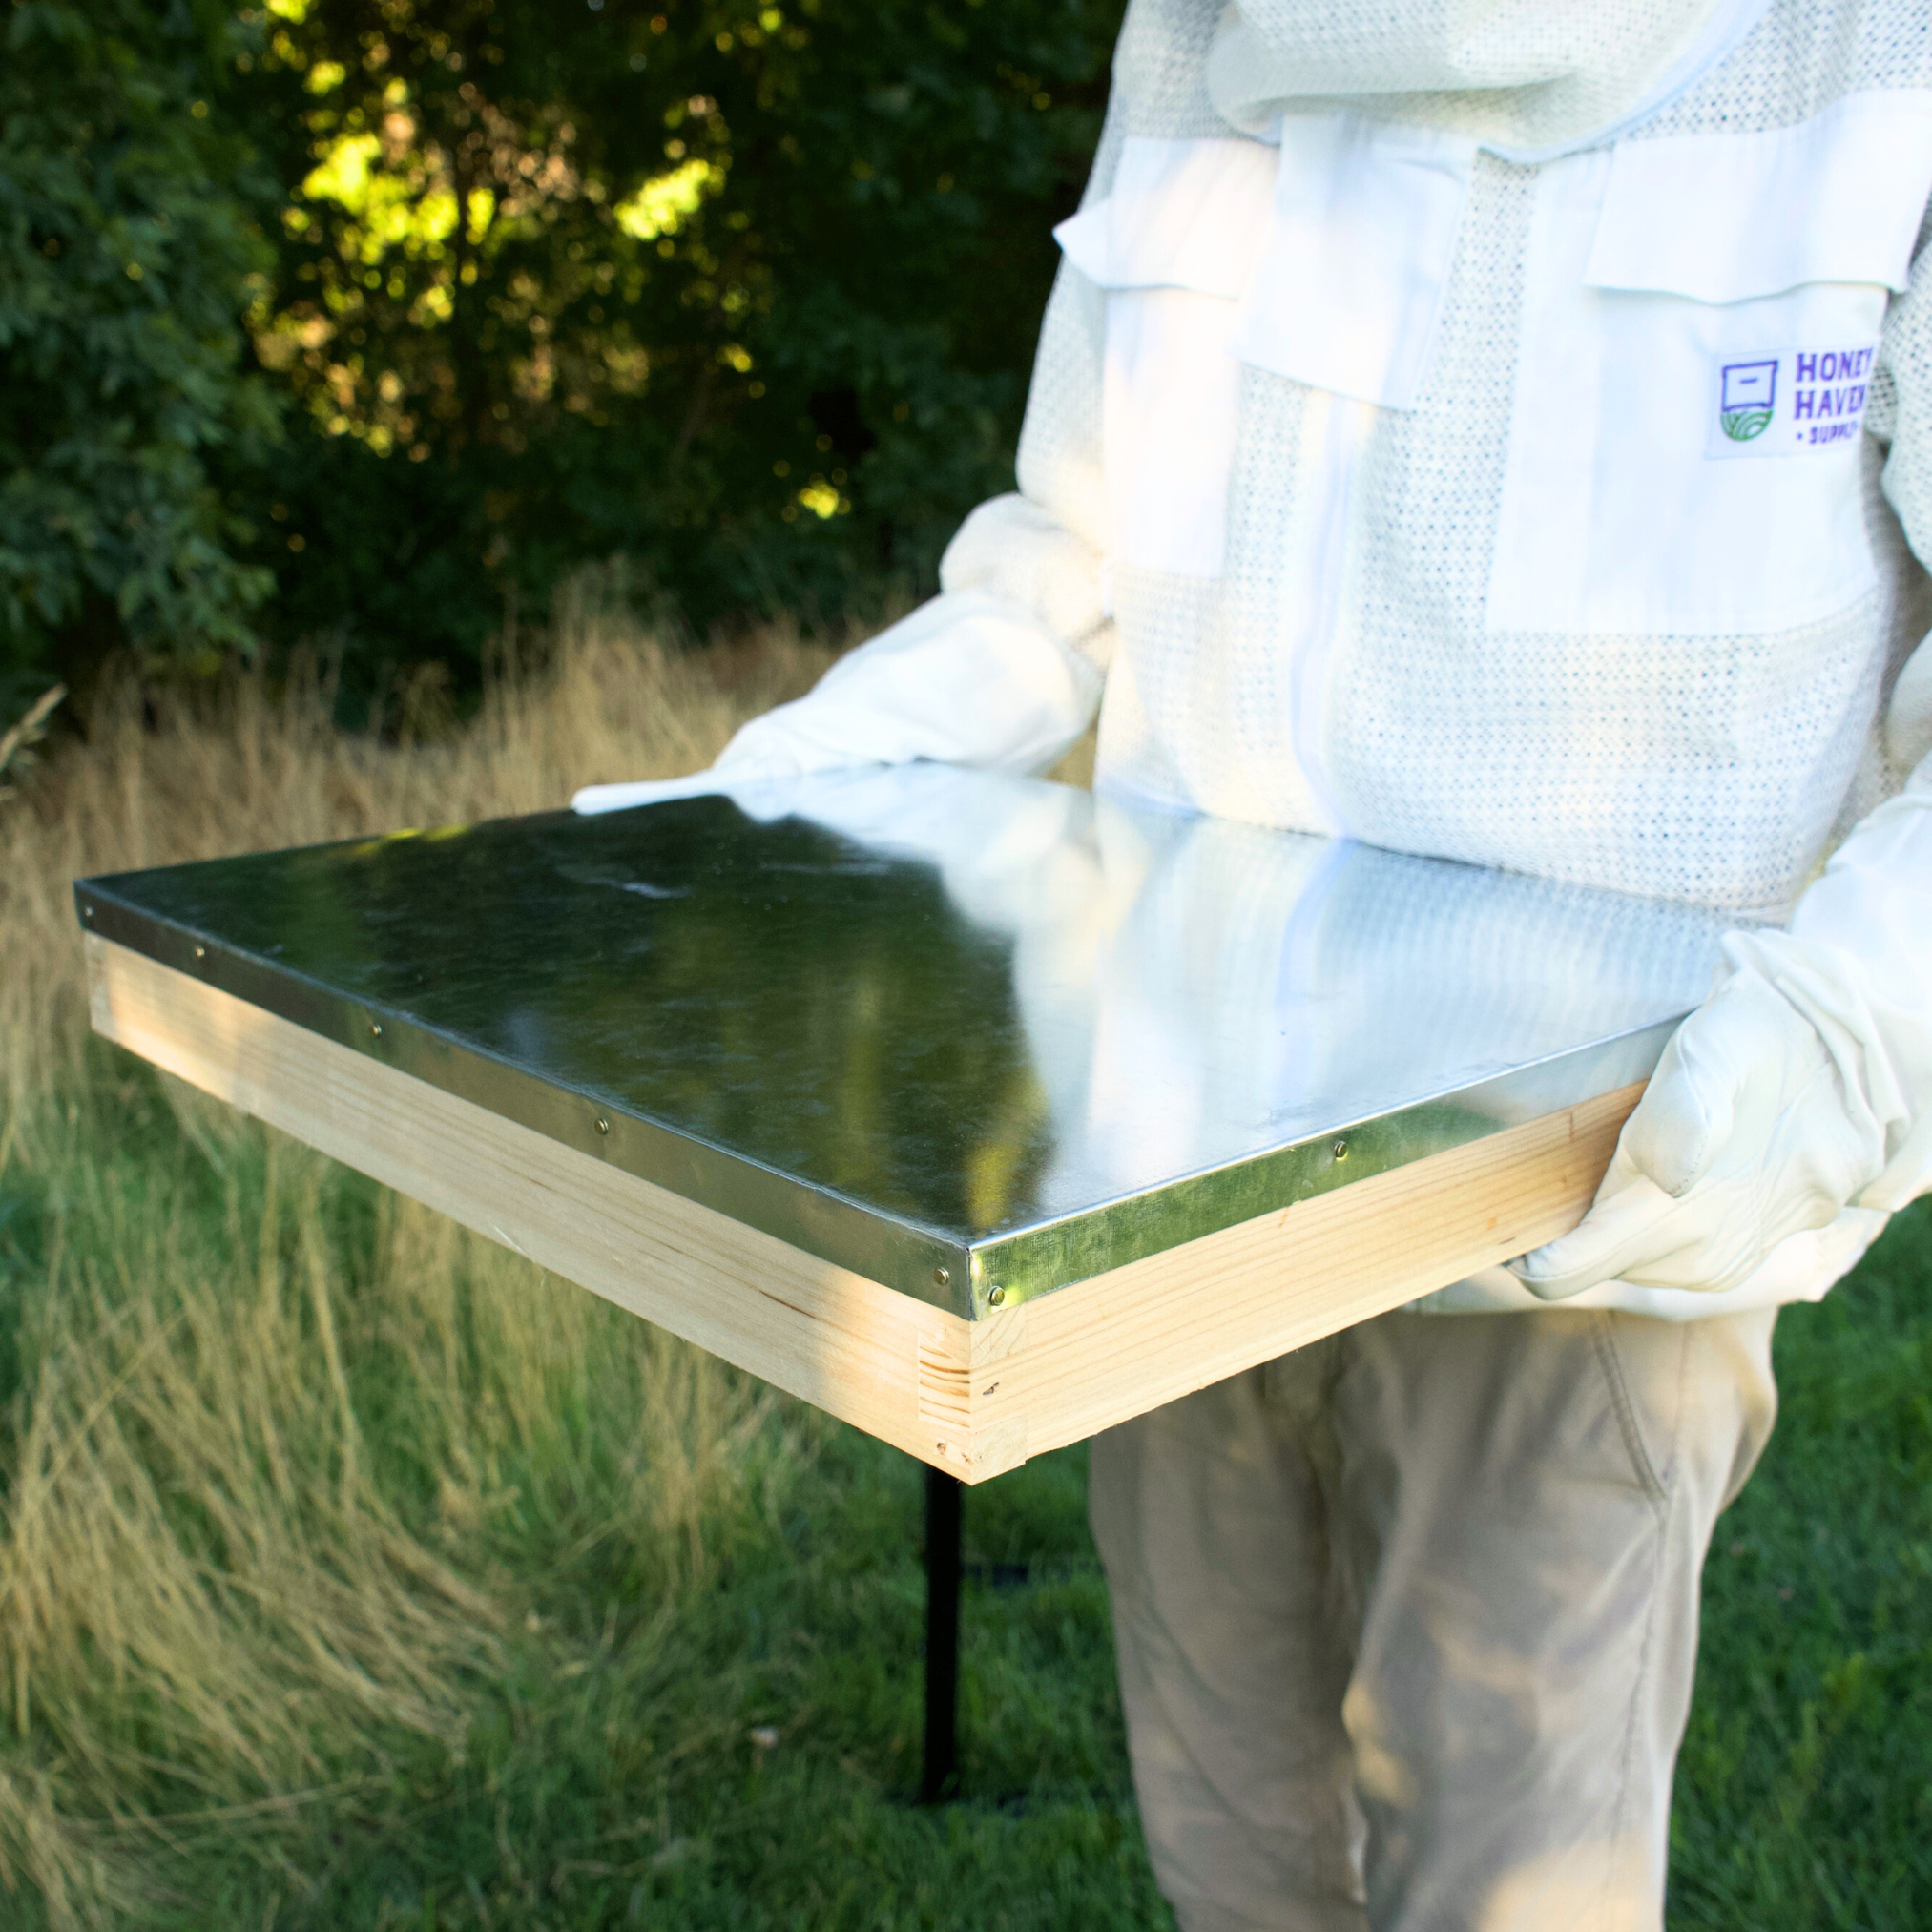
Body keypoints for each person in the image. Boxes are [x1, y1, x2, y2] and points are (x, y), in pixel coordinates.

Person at [578, 2, 1932, 1923]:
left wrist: (1823, 1060)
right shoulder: (1200, 38)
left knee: (1504, 1887)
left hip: (1572, 1241)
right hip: (1168, 1202)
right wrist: (777, 796)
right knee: (1233, 1863)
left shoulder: (1863, 49)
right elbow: (1069, 565)